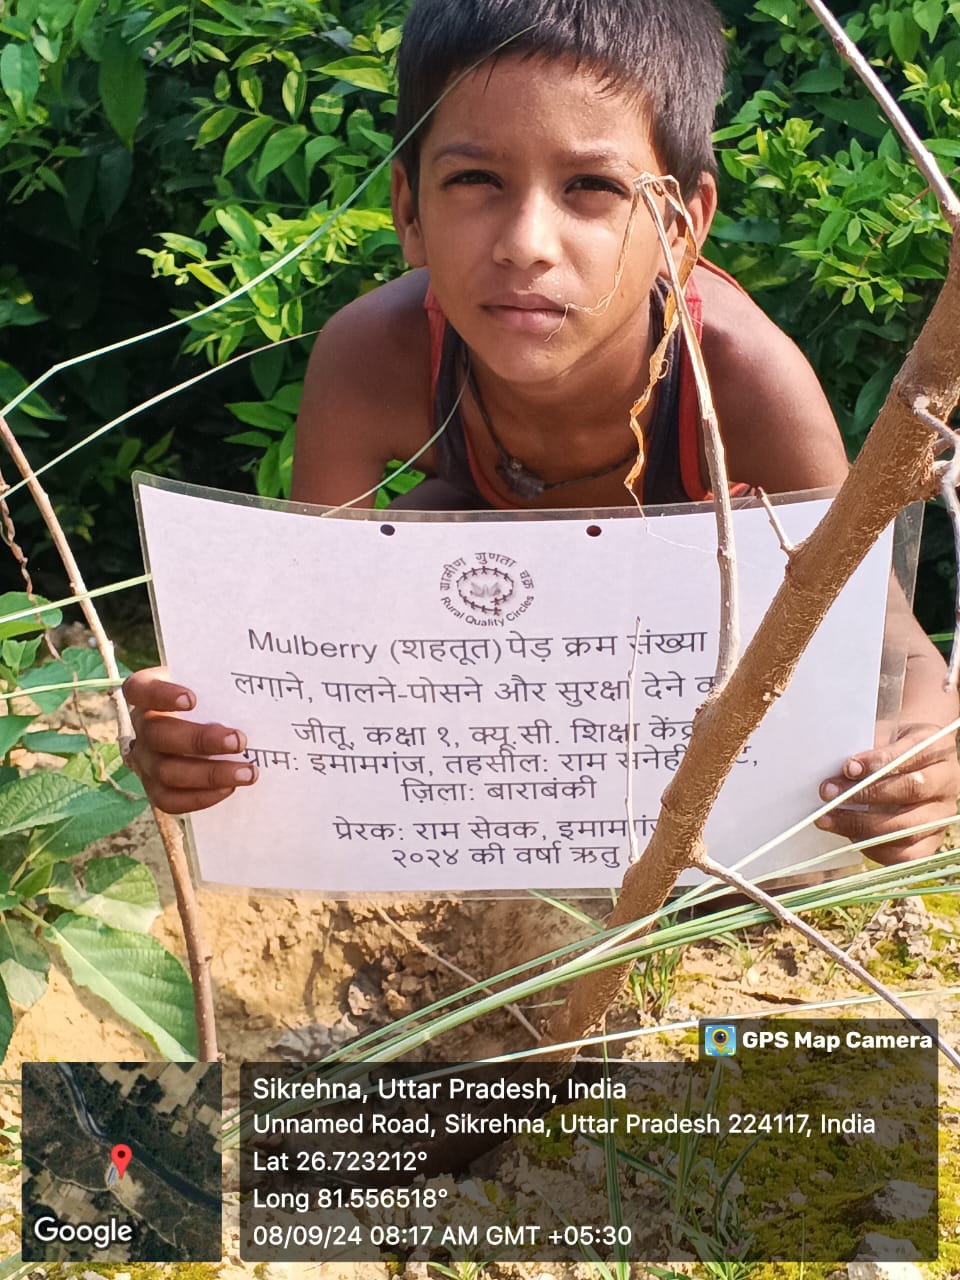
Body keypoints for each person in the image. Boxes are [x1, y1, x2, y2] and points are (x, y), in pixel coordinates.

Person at [124, 0, 959, 863]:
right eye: (476, 181)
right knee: (402, 538)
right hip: (495, 670)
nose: (527, 244)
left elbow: (886, 644)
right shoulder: (375, 353)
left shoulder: (743, 376)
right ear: (409, 209)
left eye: (592, 188)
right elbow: (310, 625)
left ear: (681, 224)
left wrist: (924, 762)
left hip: (682, 651)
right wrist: (201, 737)